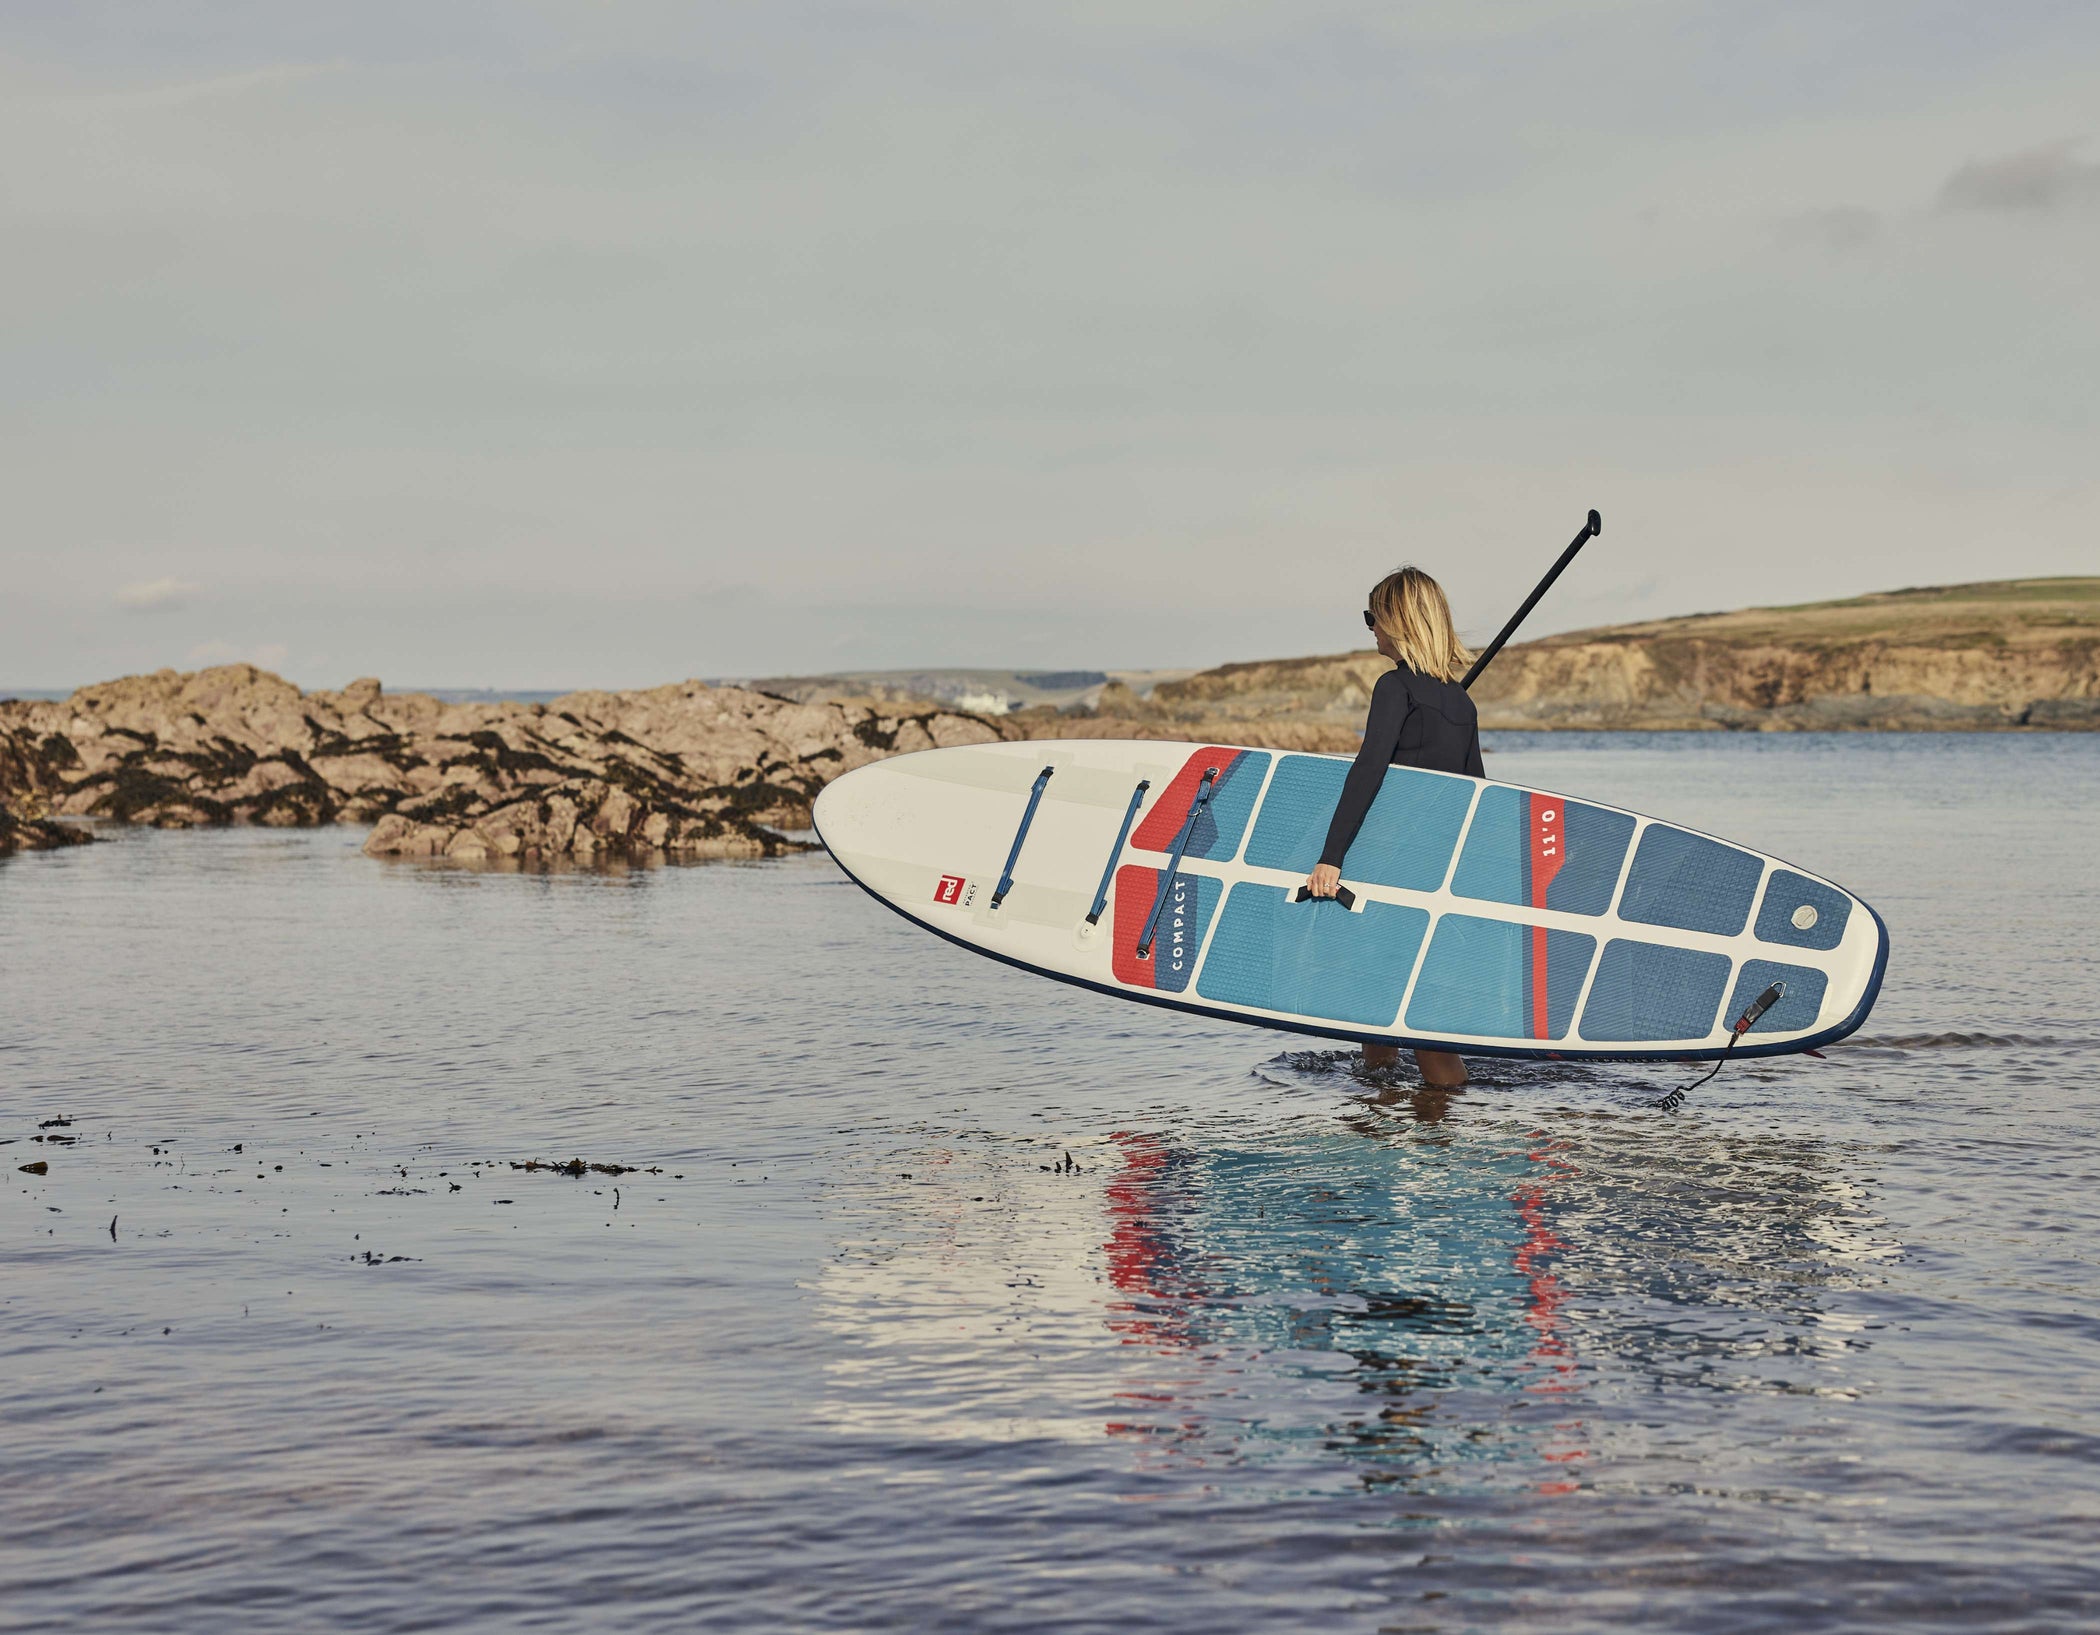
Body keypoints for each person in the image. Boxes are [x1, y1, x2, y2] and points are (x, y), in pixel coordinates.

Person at [1304, 566, 1483, 1089]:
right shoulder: (1462, 703)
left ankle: (1396, 1119)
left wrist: (1330, 857)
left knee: (1381, 998)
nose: (1370, 629)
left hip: (1389, 867)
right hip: (1436, 872)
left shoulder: (1393, 688)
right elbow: (1477, 798)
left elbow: (1368, 770)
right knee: (1405, 1001)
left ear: (1398, 621)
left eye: (1372, 616)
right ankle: (1425, 1123)